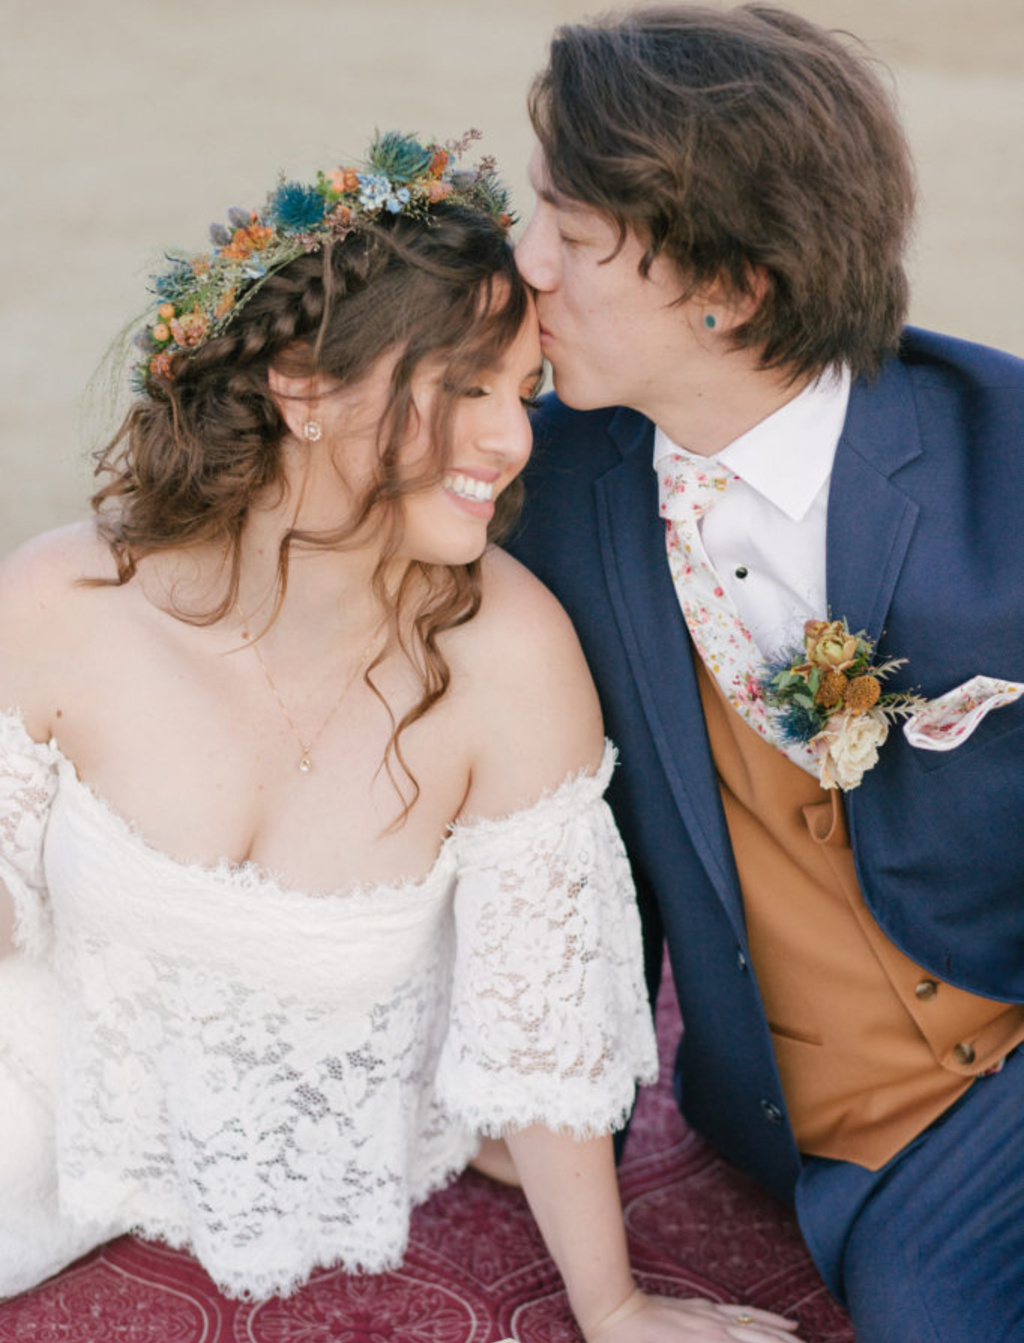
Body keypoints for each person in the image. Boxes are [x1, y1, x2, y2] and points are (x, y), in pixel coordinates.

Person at [0, 131, 799, 1343]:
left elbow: (544, 1023)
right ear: (304, 388)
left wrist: (615, 1302)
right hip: (51, 1097)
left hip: (357, 1150)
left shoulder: (509, 656)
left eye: (519, 393)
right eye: (465, 387)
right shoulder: (69, 599)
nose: (512, 439)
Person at [510, 7, 1024, 1342]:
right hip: (866, 1137)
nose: (524, 266)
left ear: (730, 288)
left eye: (569, 238)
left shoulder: (1005, 450)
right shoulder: (549, 485)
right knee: (929, 1313)